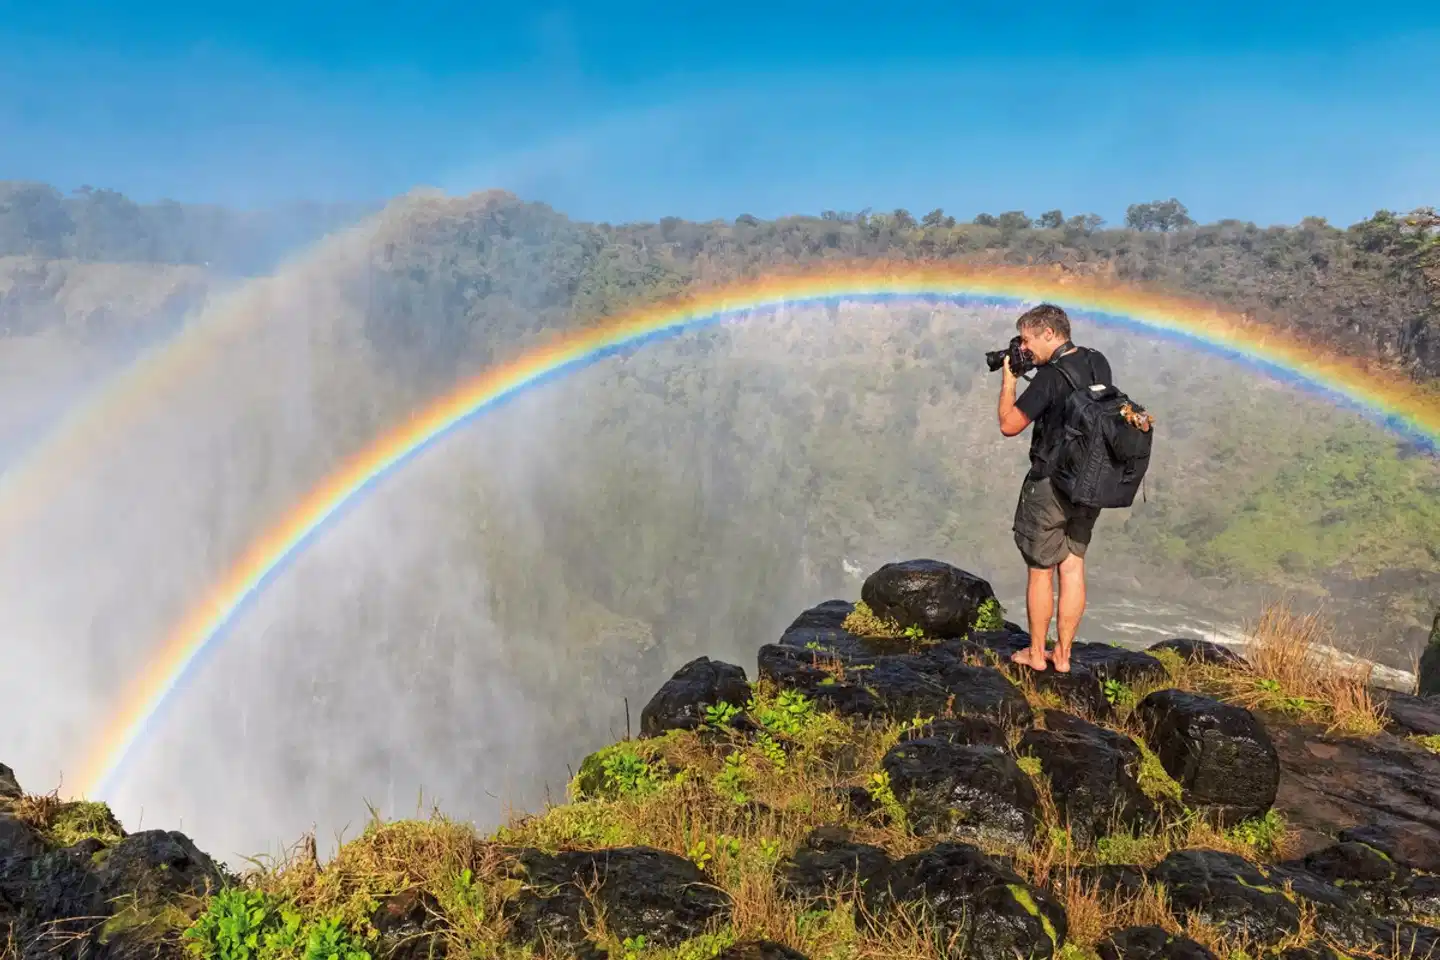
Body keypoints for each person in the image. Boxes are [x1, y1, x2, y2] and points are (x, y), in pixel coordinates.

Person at [995, 303, 1112, 672]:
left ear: (1049, 333)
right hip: (1091, 482)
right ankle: (1063, 655)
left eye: (1028, 340)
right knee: (1073, 565)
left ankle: (1036, 654)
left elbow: (1009, 424)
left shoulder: (1050, 377)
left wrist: (1010, 379)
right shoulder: (1097, 361)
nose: (1025, 349)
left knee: (1041, 568)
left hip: (1050, 483)